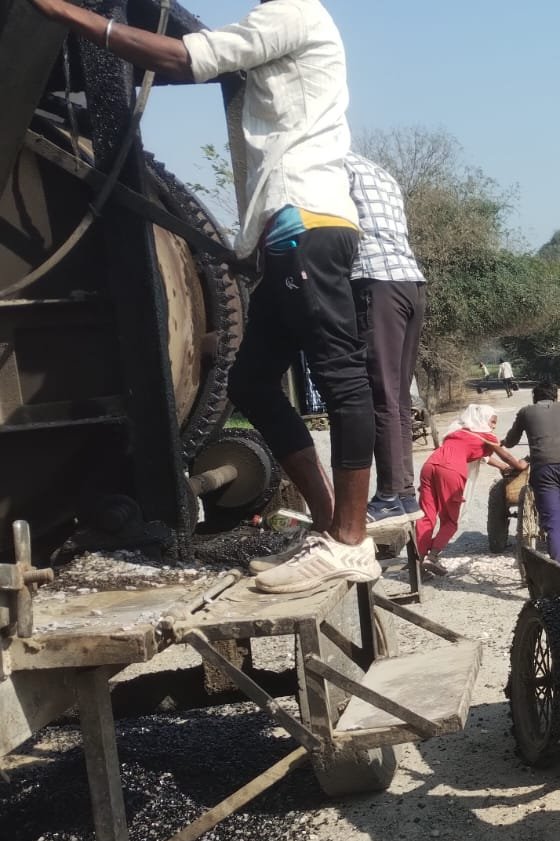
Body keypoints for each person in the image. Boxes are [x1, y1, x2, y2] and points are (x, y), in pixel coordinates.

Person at [27, 0, 378, 593]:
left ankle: (350, 541)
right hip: (286, 230)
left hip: (308, 223)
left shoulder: (292, 12)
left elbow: (183, 58)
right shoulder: (286, 23)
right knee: (252, 382)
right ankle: (326, 524)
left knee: (341, 378)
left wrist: (65, 13)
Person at [346, 152, 429, 528]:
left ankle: (389, 496)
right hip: (411, 283)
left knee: (382, 396)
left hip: (376, 282)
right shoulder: (379, 172)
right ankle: (405, 494)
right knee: (398, 397)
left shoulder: (331, 167)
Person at [416, 404, 525, 575]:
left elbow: (484, 456)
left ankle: (419, 560)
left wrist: (502, 467)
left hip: (429, 465)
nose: (494, 426)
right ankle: (432, 557)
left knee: (426, 516)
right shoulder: (486, 435)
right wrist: (521, 466)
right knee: (450, 520)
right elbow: (507, 456)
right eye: (492, 421)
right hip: (451, 470)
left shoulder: (457, 430)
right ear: (482, 419)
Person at [502, 382, 560, 568]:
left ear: (535, 398)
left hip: (544, 469)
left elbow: (511, 441)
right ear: (555, 397)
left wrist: (503, 442)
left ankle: (558, 570)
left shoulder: (526, 412)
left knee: (553, 523)